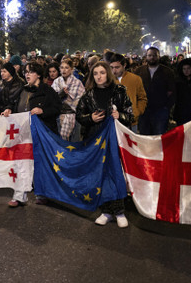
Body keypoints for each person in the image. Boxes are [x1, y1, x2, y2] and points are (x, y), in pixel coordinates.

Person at [76, 61, 133, 228]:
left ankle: (119, 211)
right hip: (95, 140)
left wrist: (120, 115)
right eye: (95, 73)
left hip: (115, 139)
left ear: (108, 73)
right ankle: (106, 211)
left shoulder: (120, 91)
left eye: (102, 72)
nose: (99, 76)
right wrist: (90, 119)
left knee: (115, 173)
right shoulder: (88, 95)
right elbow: (79, 115)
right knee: (100, 174)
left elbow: (130, 115)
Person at [2, 62, 62, 207]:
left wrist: (43, 111)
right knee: (21, 162)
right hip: (23, 133)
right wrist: (9, 109)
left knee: (40, 164)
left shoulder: (47, 90)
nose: (27, 74)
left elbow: (57, 108)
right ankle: (19, 195)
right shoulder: (23, 90)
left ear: (39, 74)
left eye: (31, 72)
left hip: (42, 133)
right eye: (25, 72)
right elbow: (13, 103)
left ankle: (42, 193)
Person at [134, 47, 176, 135]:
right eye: (149, 55)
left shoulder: (167, 71)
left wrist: (166, 107)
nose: (152, 58)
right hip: (143, 110)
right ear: (146, 56)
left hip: (160, 110)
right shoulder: (139, 71)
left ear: (158, 57)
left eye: (154, 55)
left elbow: (172, 91)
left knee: (158, 137)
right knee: (144, 136)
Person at [110, 54, 147, 132]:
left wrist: (136, 112)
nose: (114, 70)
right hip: (112, 122)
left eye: (117, 67)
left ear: (124, 65)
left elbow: (142, 98)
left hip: (131, 122)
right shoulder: (108, 80)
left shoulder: (135, 79)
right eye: (112, 67)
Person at [52, 59, 85, 141]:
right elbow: (52, 98)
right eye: (62, 67)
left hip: (74, 115)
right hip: (59, 115)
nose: (64, 70)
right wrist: (60, 94)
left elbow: (80, 100)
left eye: (66, 67)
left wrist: (68, 101)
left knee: (74, 142)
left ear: (71, 69)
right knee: (61, 141)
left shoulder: (77, 83)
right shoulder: (56, 82)